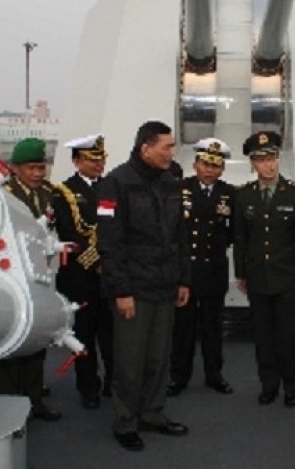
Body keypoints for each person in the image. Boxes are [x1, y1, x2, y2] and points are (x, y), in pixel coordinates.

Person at [96, 121, 191, 452]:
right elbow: (109, 243)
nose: (171, 153)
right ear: (145, 148)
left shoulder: (171, 182)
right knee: (130, 361)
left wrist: (183, 279)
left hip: (165, 286)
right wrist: (121, 291)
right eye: (166, 147)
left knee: (158, 359)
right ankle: (126, 422)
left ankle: (152, 413)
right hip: (133, 291)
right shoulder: (114, 183)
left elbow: (181, 236)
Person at [233, 131, 295, 408]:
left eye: (273, 158)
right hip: (257, 276)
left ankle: (292, 385)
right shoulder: (243, 196)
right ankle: (269, 384)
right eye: (262, 159)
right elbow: (240, 238)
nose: (269, 164)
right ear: (253, 163)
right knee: (263, 335)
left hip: (288, 276)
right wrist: (240, 272)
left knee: (288, 335)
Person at [0, 137, 61, 422]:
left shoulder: (49, 193)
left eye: (40, 167)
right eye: (31, 168)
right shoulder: (3, 194)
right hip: (10, 276)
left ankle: (34, 400)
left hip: (38, 275)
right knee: (10, 338)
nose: (37, 173)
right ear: (16, 168)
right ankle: (9, 407)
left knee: (37, 336)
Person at [167, 138, 236, 397]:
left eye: (215, 166)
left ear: (222, 169)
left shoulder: (230, 194)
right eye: (205, 163)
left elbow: (233, 233)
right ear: (195, 164)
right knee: (182, 329)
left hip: (213, 270)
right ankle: (178, 376)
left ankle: (214, 375)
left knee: (212, 328)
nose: (209, 170)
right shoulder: (179, 190)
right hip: (185, 270)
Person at [51, 133, 114, 410]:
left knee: (112, 336)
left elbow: (113, 227)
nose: (98, 164)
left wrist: (109, 261)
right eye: (92, 160)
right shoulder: (63, 192)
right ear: (77, 161)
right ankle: (88, 388)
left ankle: (114, 382)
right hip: (80, 277)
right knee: (84, 336)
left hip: (110, 276)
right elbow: (69, 233)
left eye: (101, 159)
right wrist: (96, 262)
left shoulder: (111, 188)